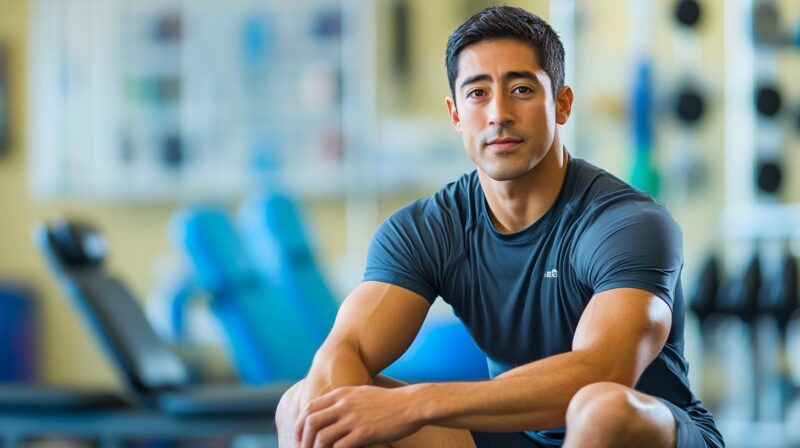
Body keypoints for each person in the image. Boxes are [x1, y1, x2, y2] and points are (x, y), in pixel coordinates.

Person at [276, 6, 724, 448]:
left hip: (643, 433)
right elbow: (345, 351)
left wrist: (418, 402)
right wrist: (335, 413)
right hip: (519, 438)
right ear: (455, 114)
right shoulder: (426, 230)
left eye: (522, 89)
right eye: (477, 94)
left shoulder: (625, 223)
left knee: (601, 408)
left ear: (561, 104)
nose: (498, 114)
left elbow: (603, 371)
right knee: (303, 406)